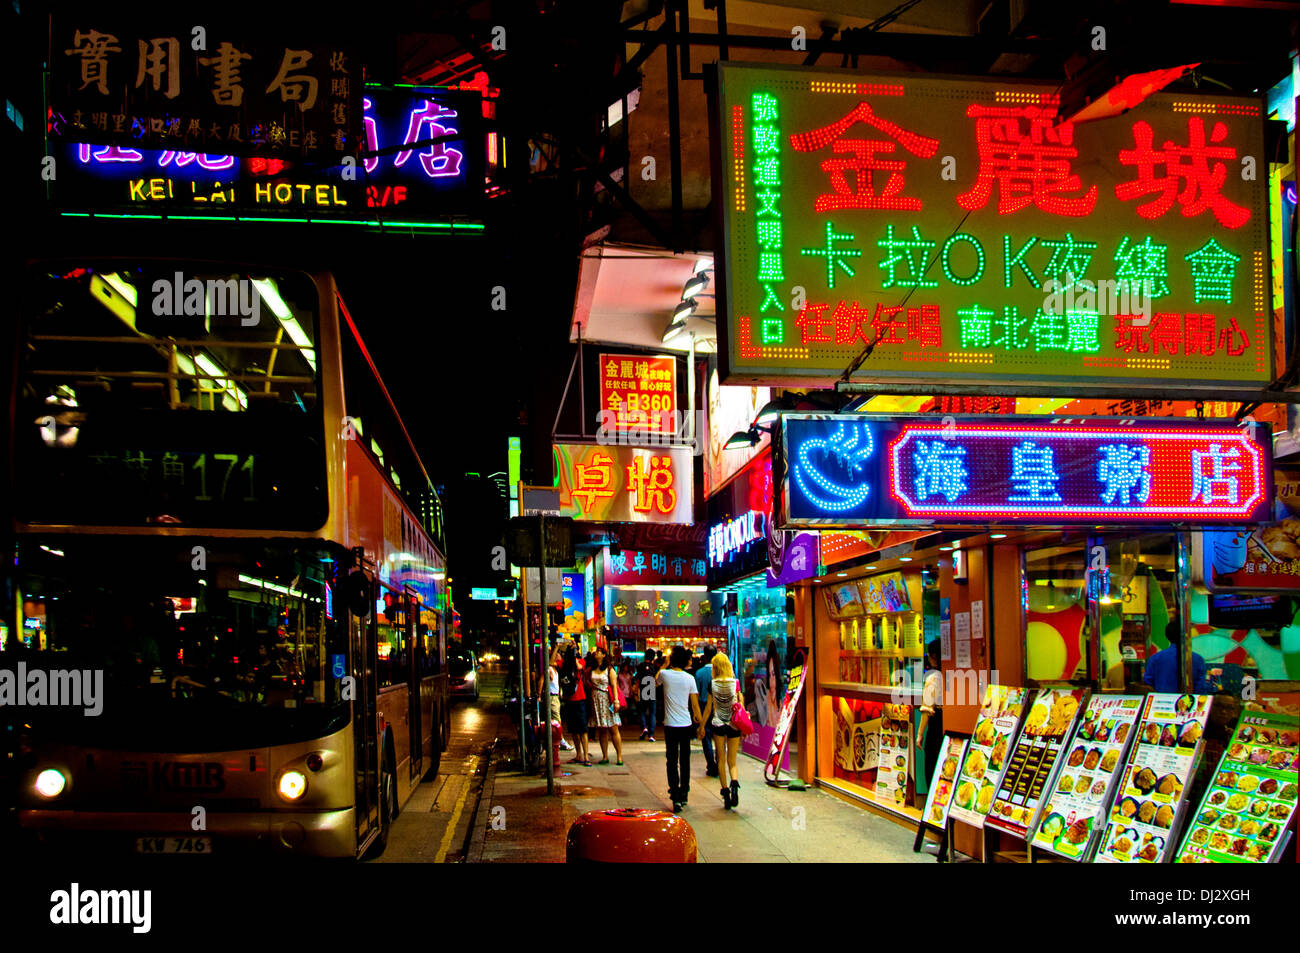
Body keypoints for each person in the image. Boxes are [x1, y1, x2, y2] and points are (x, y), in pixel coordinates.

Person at [656, 645, 703, 812]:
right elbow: (695, 706)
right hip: (686, 724)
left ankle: (674, 795)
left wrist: (663, 665)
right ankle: (684, 793)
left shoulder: (665, 674)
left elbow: (653, 684)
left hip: (670, 724)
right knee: (685, 760)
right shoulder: (689, 678)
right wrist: (701, 725)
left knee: (671, 760)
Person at [697, 651, 744, 809]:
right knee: (733, 761)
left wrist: (702, 725)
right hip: (734, 725)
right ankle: (735, 784)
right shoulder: (735, 683)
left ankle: (725, 792)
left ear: (715, 668)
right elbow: (740, 705)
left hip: (718, 725)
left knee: (721, 760)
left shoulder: (713, 684)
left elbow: (709, 709)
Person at [1144, 620, 1216, 693]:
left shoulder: (1155, 658)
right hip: (1188, 702)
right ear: (1186, 635)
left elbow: (1148, 684)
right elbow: (1200, 688)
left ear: (1167, 635)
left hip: (1160, 702)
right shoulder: (1197, 659)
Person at [588, 647, 624, 765]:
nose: (596, 654)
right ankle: (605, 756)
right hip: (596, 700)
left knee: (613, 728)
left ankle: (619, 756)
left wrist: (616, 701)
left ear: (604, 655)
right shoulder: (591, 669)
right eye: (596, 652)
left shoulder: (609, 669)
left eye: (599, 652)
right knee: (602, 730)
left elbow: (614, 686)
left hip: (607, 700)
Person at [916, 641, 944, 787]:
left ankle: (930, 803)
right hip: (946, 729)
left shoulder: (934, 678)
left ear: (933, 656)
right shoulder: (951, 673)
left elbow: (927, 709)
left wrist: (920, 734)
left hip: (935, 730)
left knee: (931, 768)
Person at [559, 647, 591, 765]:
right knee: (573, 730)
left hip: (580, 699)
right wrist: (557, 647)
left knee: (583, 729)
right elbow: (552, 662)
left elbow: (579, 667)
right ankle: (579, 755)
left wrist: (574, 655)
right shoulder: (563, 663)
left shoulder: (580, 661)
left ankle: (586, 756)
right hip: (569, 699)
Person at [695, 645, 718, 778]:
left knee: (706, 736)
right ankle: (719, 763)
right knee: (719, 737)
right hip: (719, 707)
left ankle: (711, 764)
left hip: (704, 707)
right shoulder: (721, 671)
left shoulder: (699, 673)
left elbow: (696, 694)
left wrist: (696, 713)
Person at [636, 652, 657, 741]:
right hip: (652, 689)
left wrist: (637, 691)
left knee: (642, 711)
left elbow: (637, 678)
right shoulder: (654, 667)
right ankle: (651, 735)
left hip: (643, 688)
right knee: (652, 713)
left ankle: (644, 727)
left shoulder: (640, 666)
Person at [765, 638, 782, 727]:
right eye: (769, 675)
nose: (771, 679)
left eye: (773, 674)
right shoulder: (765, 697)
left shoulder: (781, 698)